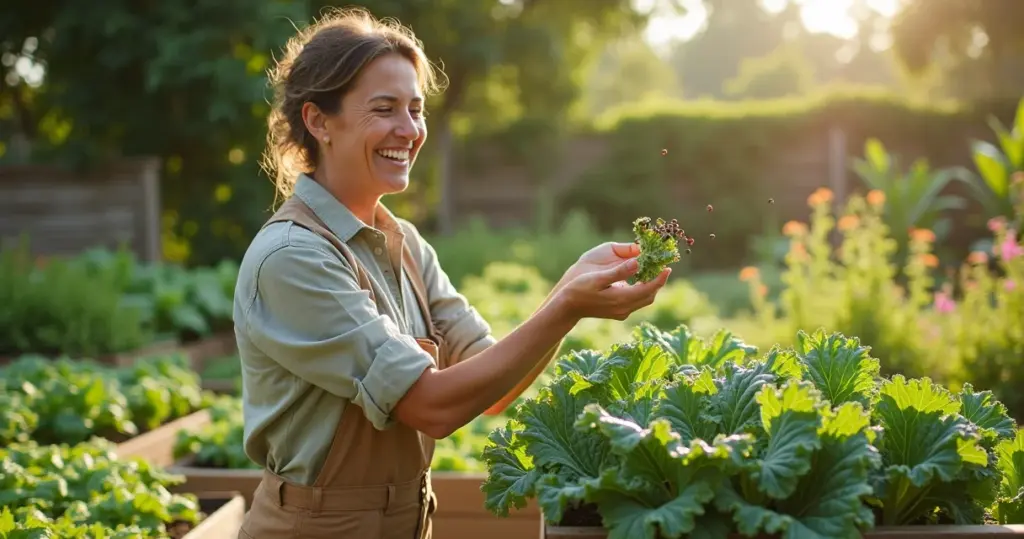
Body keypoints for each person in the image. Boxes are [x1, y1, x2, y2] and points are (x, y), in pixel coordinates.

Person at [233, 7, 671, 539]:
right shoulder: (292, 258)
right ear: (318, 121)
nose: (410, 129)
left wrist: (569, 288)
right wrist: (567, 307)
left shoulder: (407, 246)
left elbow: (489, 389)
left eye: (416, 109)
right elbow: (432, 407)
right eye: (384, 108)